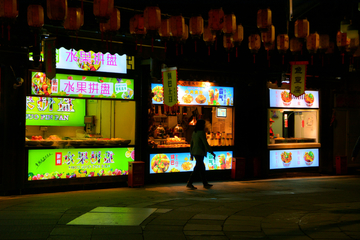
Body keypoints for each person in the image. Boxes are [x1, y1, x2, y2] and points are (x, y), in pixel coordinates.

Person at [187, 119, 216, 190]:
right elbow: (205, 143)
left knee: (201, 168)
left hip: (195, 152)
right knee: (198, 168)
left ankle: (205, 183)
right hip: (200, 153)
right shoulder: (201, 132)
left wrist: (191, 152)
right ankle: (190, 183)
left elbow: (191, 143)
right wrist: (211, 152)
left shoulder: (195, 132)